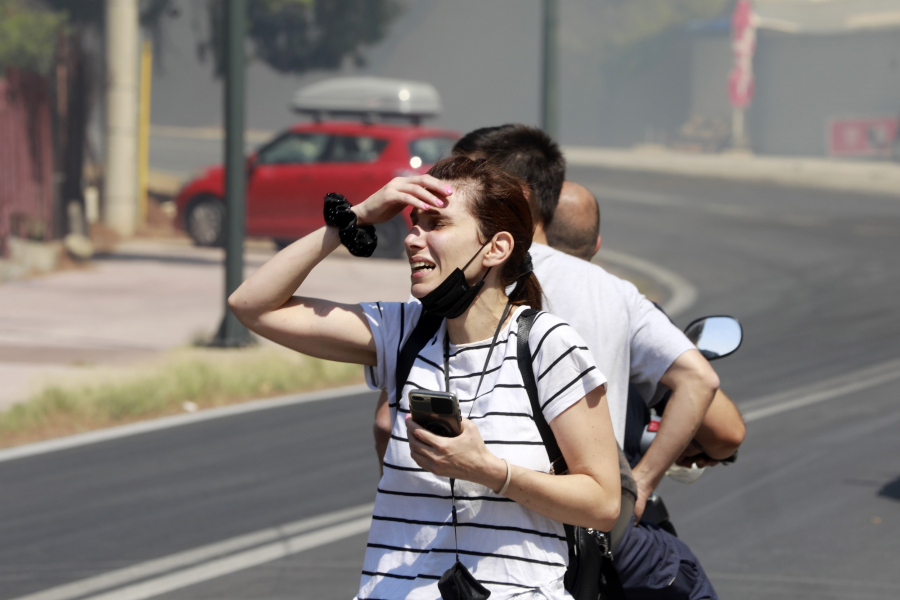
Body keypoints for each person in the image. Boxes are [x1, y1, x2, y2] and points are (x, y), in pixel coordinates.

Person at [229, 156, 622, 599]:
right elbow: (252, 306)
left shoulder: (547, 343)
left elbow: (604, 503)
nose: (413, 238)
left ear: (495, 247)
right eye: (413, 223)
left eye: (435, 223)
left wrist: (489, 471)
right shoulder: (402, 332)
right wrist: (353, 218)